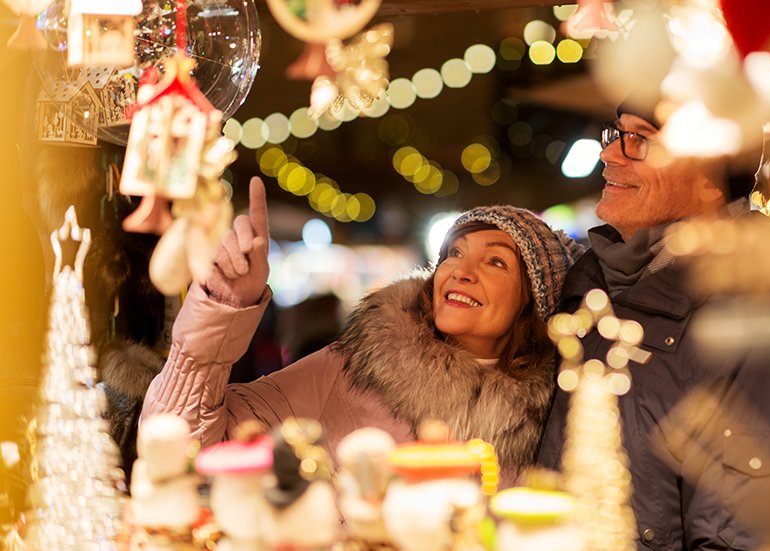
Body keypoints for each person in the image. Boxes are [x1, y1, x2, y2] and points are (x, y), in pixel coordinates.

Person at [141, 177, 582, 482]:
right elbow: (181, 445)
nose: (460, 271)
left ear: (534, 302)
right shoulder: (354, 368)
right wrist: (222, 308)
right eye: (454, 252)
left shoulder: (551, 420)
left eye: (495, 262)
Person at [536, 106, 770, 550]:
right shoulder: (587, 287)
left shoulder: (756, 318)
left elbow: (746, 538)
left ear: (710, 176)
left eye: (641, 139)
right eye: (617, 133)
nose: (610, 154)